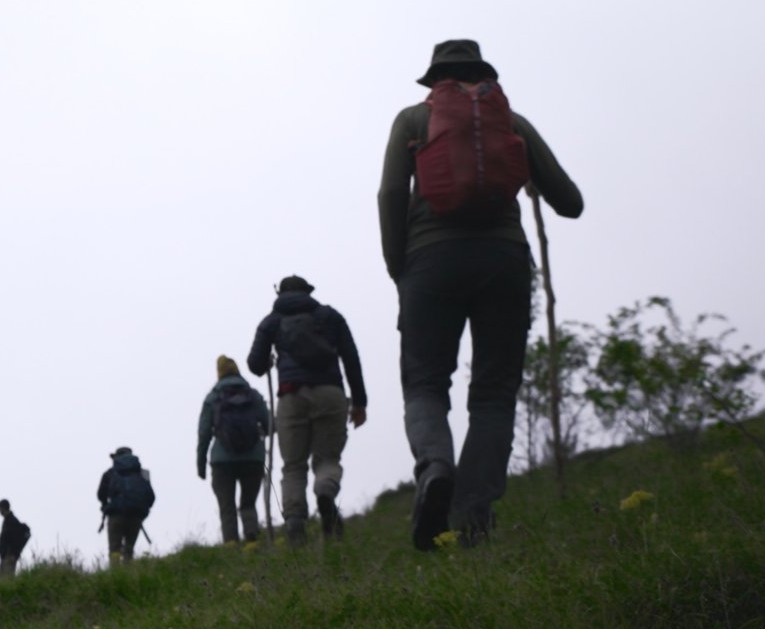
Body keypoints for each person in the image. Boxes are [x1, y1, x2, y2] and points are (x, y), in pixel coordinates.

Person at [378, 38, 583, 549]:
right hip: (504, 262)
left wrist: (398, 268)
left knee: (426, 384)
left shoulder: (411, 120)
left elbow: (388, 195)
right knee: (493, 394)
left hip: (429, 264)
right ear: (482, 74)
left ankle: (435, 471)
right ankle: (473, 513)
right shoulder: (511, 122)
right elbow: (571, 202)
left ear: (435, 80)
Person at [246, 275, 371, 541]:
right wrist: (359, 402)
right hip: (330, 393)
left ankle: (294, 522)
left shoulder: (272, 321)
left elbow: (255, 364)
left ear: (280, 293)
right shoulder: (330, 316)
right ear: (308, 292)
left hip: (291, 396)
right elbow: (351, 358)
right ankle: (325, 491)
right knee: (327, 459)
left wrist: (269, 360)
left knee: (293, 465)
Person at [195, 355, 272, 543]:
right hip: (253, 458)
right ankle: (252, 538)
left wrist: (201, 465)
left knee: (226, 505)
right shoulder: (253, 395)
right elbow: (271, 424)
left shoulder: (212, 398)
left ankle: (231, 544)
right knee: (248, 503)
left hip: (222, 460)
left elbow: (204, 433)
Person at [95, 447, 155, 564]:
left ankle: (115, 573)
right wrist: (141, 511)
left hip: (116, 515)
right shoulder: (144, 473)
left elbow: (100, 494)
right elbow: (151, 497)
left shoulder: (109, 473)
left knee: (114, 548)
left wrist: (106, 505)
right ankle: (128, 573)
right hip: (136, 516)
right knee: (129, 549)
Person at [0, 499, 31, 578]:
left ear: (3, 508)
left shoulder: (12, 521)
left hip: (9, 555)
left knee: (7, 577)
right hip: (5, 555)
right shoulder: (7, 521)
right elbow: (3, 540)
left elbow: (14, 540)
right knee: (1, 579)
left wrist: (14, 554)